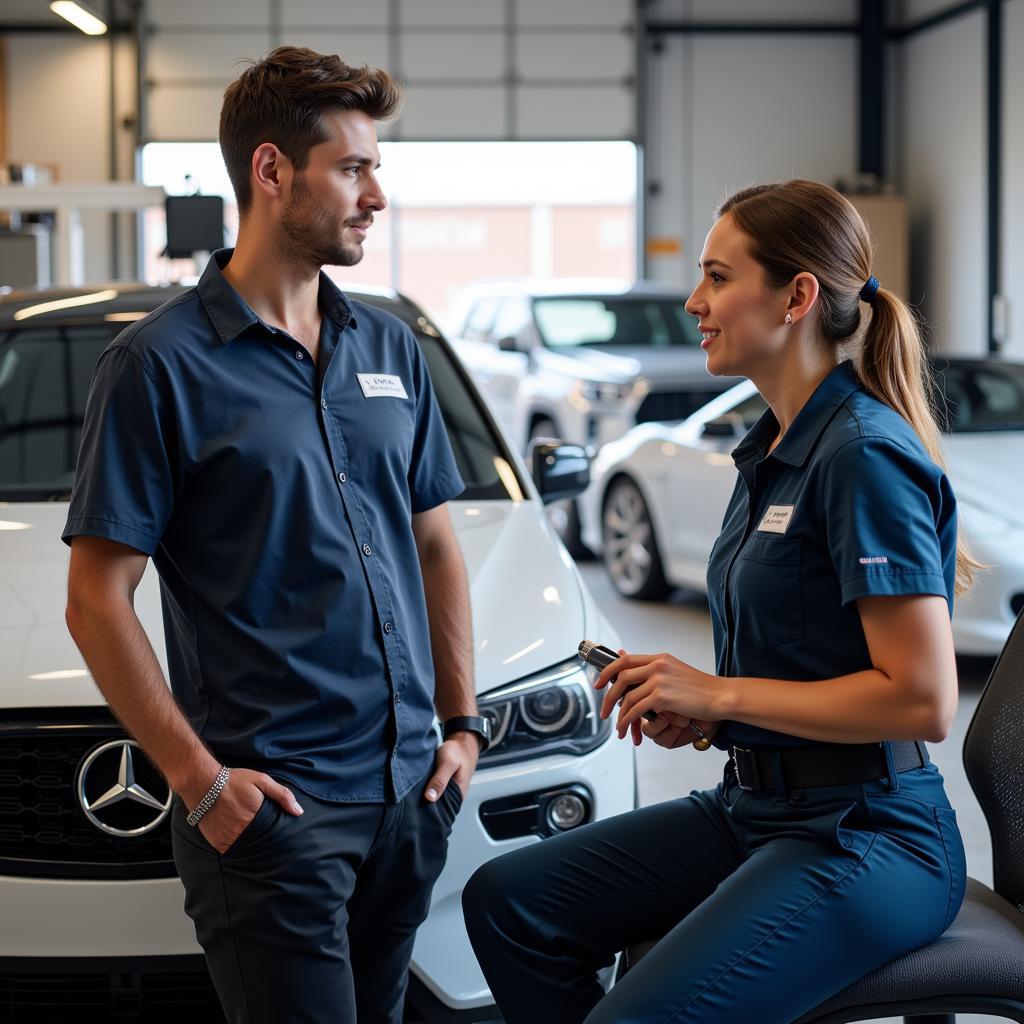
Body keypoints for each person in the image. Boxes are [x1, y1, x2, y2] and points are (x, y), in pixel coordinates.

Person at [462, 179, 971, 1024]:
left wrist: (723, 696)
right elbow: (808, 663)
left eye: (718, 278)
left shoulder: (862, 456)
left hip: (871, 834)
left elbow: (922, 699)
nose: (696, 302)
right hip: (758, 806)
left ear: (797, 296)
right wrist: (709, 715)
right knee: (510, 902)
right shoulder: (771, 449)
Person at [64, 47, 490, 1024]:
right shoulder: (158, 366)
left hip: (410, 797)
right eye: (352, 167)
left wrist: (460, 727)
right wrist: (198, 782)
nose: (375, 194)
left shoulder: (388, 346)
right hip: (276, 817)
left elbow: (433, 543)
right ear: (270, 170)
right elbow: (95, 601)